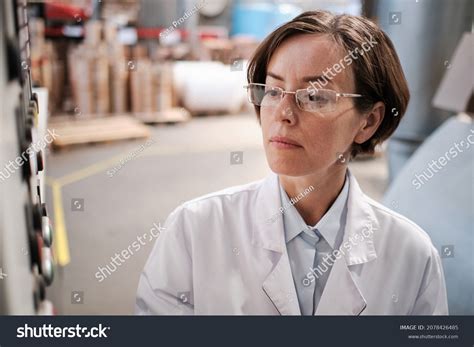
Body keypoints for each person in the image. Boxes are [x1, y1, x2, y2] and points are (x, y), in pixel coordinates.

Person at [135, 10, 448, 315]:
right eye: (273, 90)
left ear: (368, 121)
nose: (283, 113)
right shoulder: (195, 230)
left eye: (314, 96)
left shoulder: (412, 256)